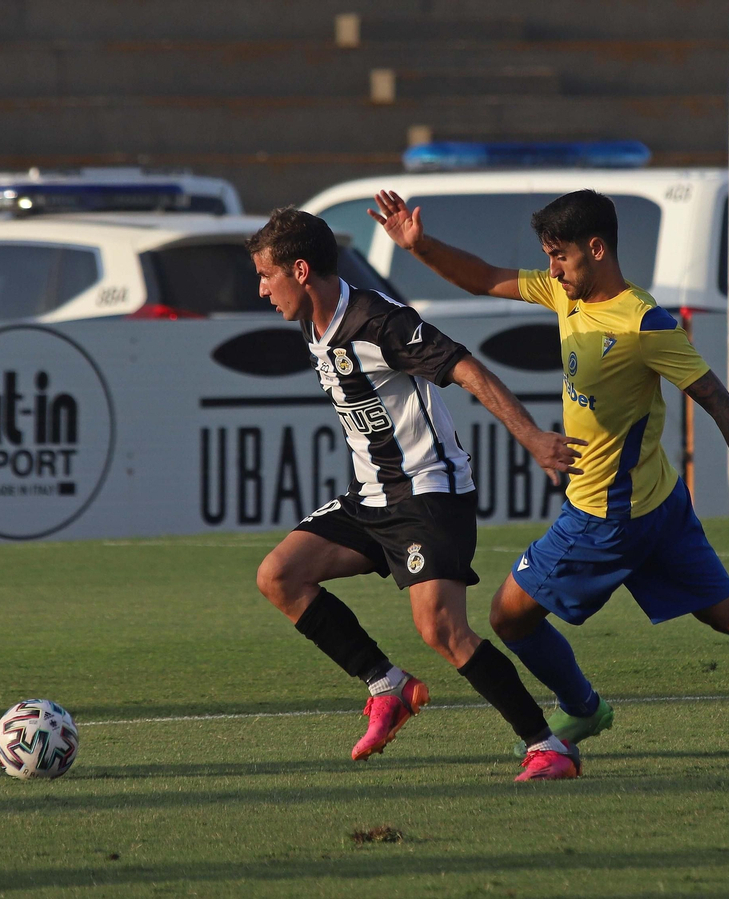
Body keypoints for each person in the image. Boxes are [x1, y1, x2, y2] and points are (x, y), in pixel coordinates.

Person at [369, 189, 729, 762]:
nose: (551, 269)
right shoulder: (565, 292)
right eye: (549, 257)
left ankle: (581, 707)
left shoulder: (642, 323)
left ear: (596, 249)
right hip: (661, 504)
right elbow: (481, 276)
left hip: (605, 518)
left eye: (560, 256)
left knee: (507, 615)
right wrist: (419, 243)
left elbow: (720, 402)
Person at [247, 208, 587, 781]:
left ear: (300, 271)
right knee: (279, 576)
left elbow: (467, 368)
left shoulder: (379, 321)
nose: (261, 290)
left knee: (442, 630)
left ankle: (547, 745)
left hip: (429, 494)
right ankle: (388, 685)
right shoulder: (313, 319)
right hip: (372, 496)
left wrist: (530, 435)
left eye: (266, 276)